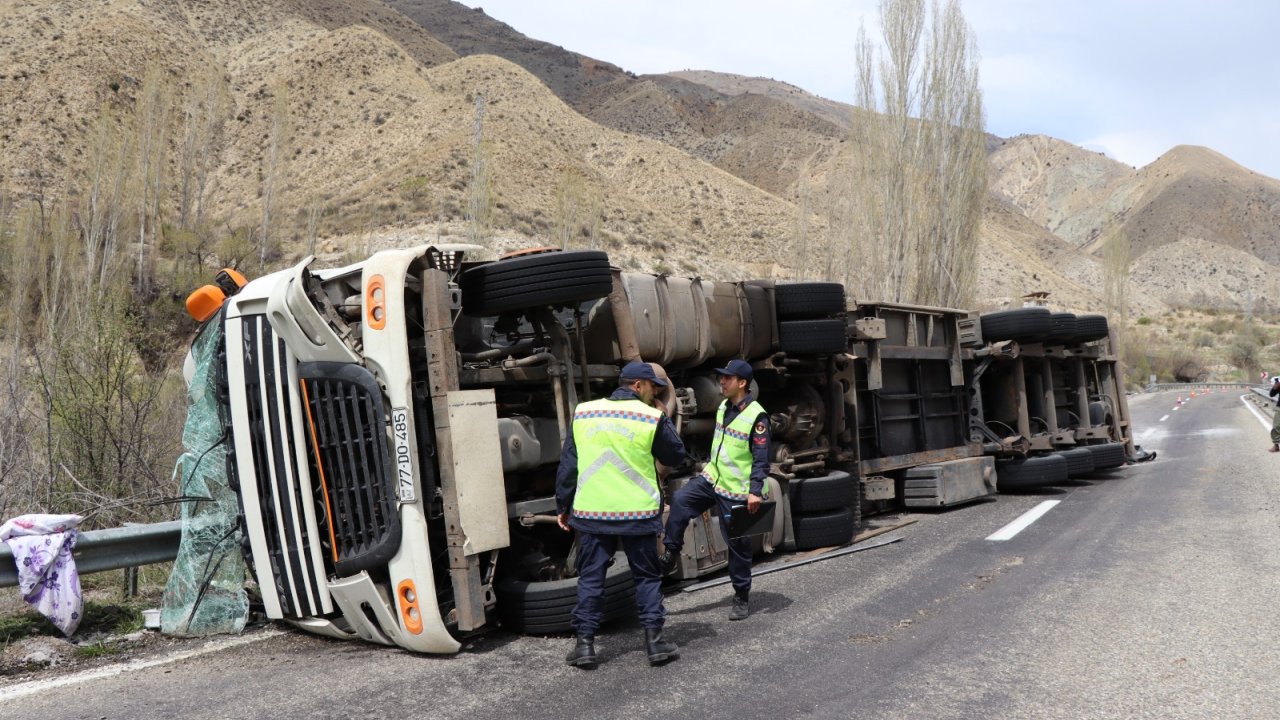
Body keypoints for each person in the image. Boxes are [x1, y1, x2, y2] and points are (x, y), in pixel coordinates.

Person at [555, 360, 687, 668]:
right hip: (636, 512)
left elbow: (568, 467)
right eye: (653, 388)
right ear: (638, 386)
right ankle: (655, 645)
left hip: (592, 512)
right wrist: (661, 420)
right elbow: (676, 455)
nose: (655, 394)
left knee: (590, 577)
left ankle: (585, 647)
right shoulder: (651, 417)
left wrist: (563, 506)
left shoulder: (585, 412)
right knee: (647, 576)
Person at [660, 359, 770, 621]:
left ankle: (741, 596)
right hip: (713, 479)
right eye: (721, 377)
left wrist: (755, 490)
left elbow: (761, 458)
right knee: (681, 500)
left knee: (738, 547)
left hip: (738, 490)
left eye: (727, 378)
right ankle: (670, 553)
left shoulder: (757, 416)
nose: (721, 381)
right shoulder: (723, 406)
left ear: (742, 383)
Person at [1270, 376, 1280, 452]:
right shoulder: (1278, 381)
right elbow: (1271, 394)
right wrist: (1275, 387)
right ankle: (1276, 445)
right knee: (1276, 426)